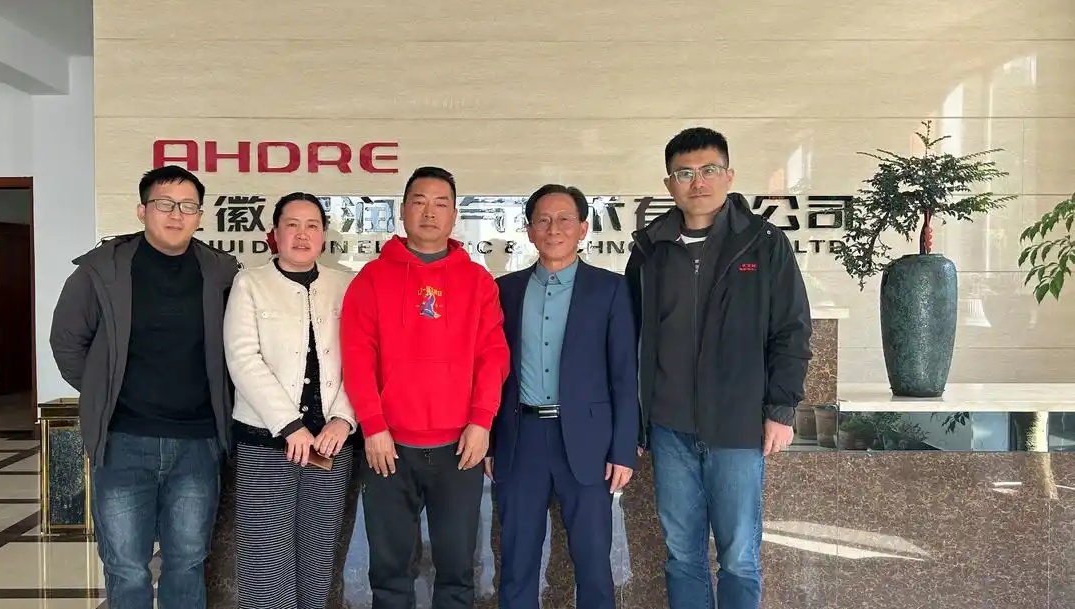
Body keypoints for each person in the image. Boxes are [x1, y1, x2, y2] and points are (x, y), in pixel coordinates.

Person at [625, 127, 812, 609]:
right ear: (669, 184)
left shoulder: (763, 243)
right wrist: (635, 421)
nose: (698, 182)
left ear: (729, 175)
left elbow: (791, 330)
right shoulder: (650, 249)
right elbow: (632, 336)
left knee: (739, 556)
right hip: (669, 428)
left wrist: (781, 408)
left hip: (737, 424)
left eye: (709, 170)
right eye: (684, 173)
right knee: (681, 554)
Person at [50, 165, 241, 609]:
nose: (176, 214)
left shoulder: (221, 272)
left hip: (197, 444)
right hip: (123, 440)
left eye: (188, 206)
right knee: (126, 566)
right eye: (164, 204)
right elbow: (67, 343)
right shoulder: (102, 271)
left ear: (200, 216)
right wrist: (104, 393)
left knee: (188, 562)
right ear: (142, 210)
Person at [340, 165, 511, 609]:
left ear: (454, 215)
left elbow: (493, 355)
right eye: (419, 202)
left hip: (459, 448)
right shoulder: (371, 279)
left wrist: (481, 421)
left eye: (440, 203)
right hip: (388, 448)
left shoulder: (477, 281)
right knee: (390, 573)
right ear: (402, 211)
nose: (429, 212)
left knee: (456, 572)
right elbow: (357, 357)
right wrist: (373, 425)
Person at [488, 184, 638, 609]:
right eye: (543, 220)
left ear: (583, 228)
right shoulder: (505, 290)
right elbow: (493, 372)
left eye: (564, 219)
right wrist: (491, 440)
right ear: (530, 230)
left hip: (589, 442)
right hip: (521, 438)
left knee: (593, 563)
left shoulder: (610, 289)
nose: (554, 229)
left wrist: (623, 449)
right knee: (516, 562)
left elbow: (625, 374)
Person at [223, 192, 358, 609]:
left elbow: (363, 357)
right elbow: (243, 358)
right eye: (292, 225)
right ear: (274, 234)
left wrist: (344, 418)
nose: (302, 234)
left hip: (330, 443)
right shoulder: (250, 283)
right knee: (265, 556)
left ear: (324, 236)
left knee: (319, 554)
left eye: (312, 226)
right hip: (267, 441)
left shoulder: (345, 285)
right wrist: (289, 424)